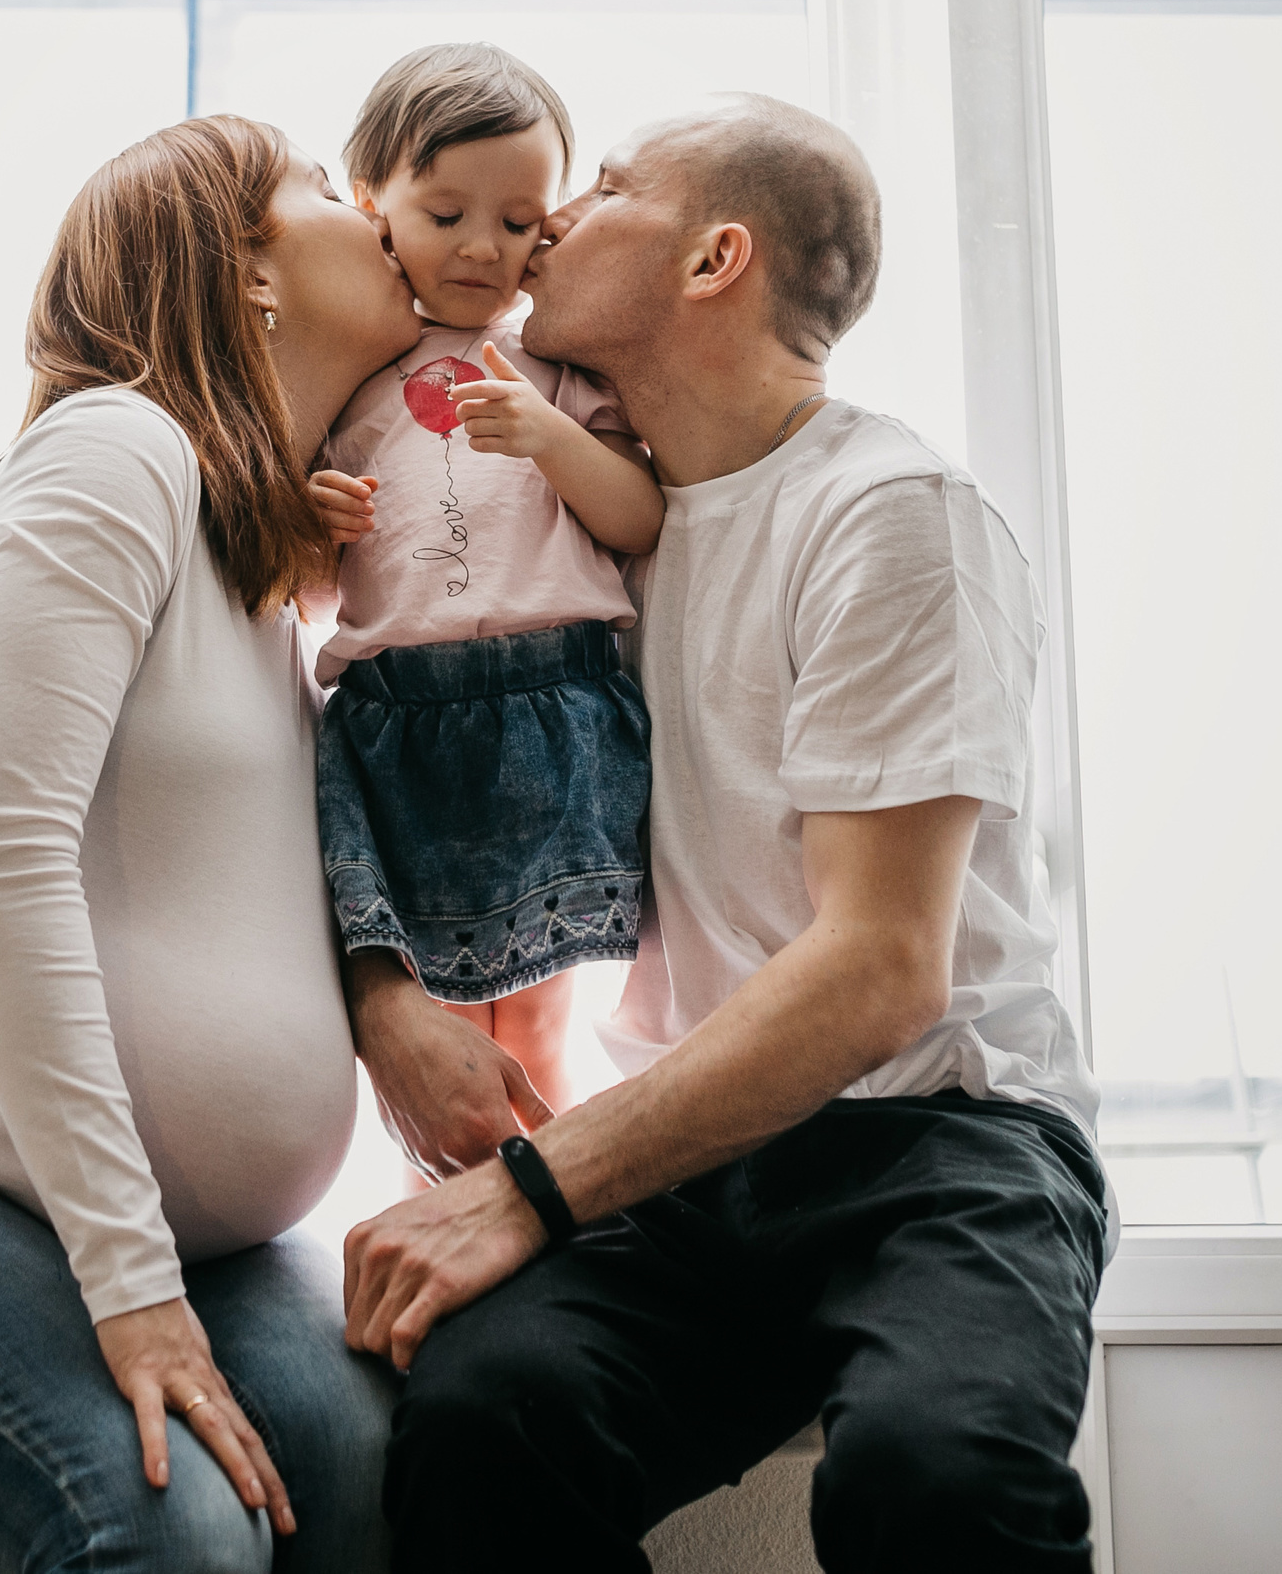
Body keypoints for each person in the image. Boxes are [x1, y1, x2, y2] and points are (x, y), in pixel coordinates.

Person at [341, 94, 1109, 1573]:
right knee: (481, 1423)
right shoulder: (602, 523)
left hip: (940, 1146)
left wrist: (528, 1187)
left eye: (611, 185)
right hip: (701, 1167)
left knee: (931, 1476)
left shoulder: (889, 513)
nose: (553, 216)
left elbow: (884, 971)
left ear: (715, 260)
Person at [0, 115, 421, 1574]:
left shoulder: (258, 566)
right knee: (174, 1535)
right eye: (315, 188)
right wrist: (130, 1284)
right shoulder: (116, 451)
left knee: (385, 1477)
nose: (370, 210)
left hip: (184, 1233)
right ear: (249, 277)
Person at [307, 43, 664, 1120]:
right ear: (373, 203)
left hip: (552, 705)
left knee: (539, 1019)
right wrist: (309, 524)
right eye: (446, 213)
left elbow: (640, 518)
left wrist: (552, 436)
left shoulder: (555, 360)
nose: (481, 249)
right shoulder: (350, 369)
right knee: (435, 1032)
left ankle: (545, 1213)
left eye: (519, 223)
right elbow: (314, 598)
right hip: (399, 722)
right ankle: (447, 1209)